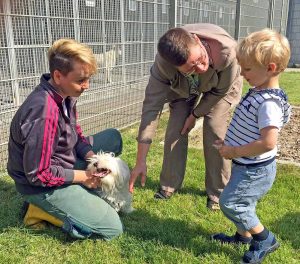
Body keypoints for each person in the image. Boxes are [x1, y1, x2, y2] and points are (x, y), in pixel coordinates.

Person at [7, 39, 124, 240]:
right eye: (81, 80)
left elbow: (75, 133)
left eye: (89, 79)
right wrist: (85, 177)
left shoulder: (65, 93)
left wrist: (92, 158)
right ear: (58, 76)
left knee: (113, 138)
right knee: (113, 229)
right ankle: (39, 209)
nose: (86, 86)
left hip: (60, 161)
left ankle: (75, 190)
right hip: (38, 186)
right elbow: (39, 174)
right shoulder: (44, 113)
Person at [129, 23, 243, 210]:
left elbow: (219, 92)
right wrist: (140, 161)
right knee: (176, 128)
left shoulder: (227, 52)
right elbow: (151, 109)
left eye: (200, 59)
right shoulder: (163, 66)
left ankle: (218, 192)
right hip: (184, 87)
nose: (201, 67)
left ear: (197, 40)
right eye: (191, 68)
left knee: (214, 127)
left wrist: (195, 114)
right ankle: (169, 184)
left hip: (219, 90)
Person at [211, 29, 291, 263]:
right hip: (246, 165)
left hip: (255, 170)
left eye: (247, 69)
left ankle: (264, 238)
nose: (243, 73)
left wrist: (233, 151)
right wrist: (230, 143)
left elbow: (268, 142)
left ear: (271, 68)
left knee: (232, 203)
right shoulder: (259, 91)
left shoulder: (269, 104)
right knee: (242, 202)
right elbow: (251, 128)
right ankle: (243, 236)